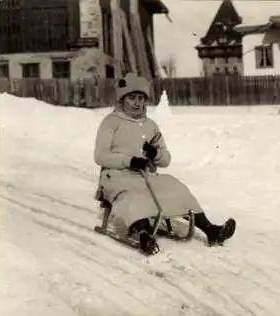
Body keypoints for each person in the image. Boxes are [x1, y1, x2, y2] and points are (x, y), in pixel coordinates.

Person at [93, 73, 236, 255]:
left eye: (141, 98)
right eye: (132, 98)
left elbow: (166, 159)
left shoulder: (150, 125)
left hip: (145, 176)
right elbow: (100, 155)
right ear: (122, 100)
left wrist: (155, 154)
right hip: (116, 176)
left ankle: (211, 230)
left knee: (177, 188)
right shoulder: (111, 122)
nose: (137, 103)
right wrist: (128, 160)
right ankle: (143, 235)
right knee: (132, 196)